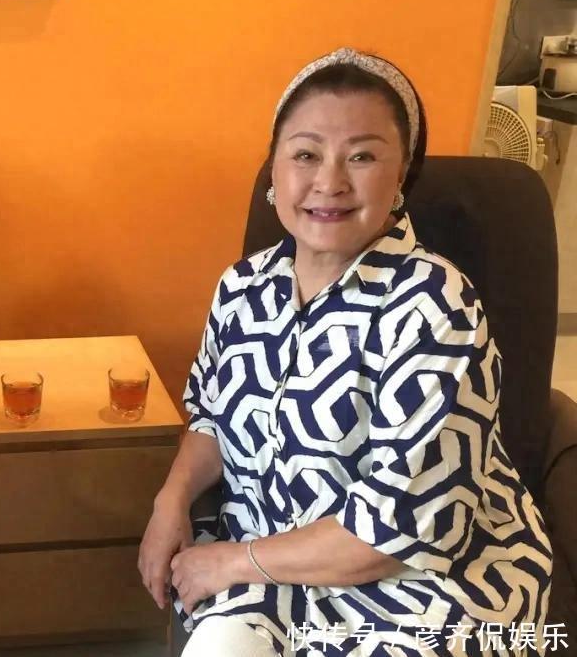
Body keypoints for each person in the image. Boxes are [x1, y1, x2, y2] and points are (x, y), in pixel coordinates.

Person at [138, 48, 553, 656]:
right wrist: (170, 500)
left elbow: (403, 526)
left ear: (401, 175)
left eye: (362, 156)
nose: (329, 182)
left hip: (419, 584)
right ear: (274, 172)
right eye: (306, 154)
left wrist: (232, 562)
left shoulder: (434, 304)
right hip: (263, 570)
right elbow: (210, 419)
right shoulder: (242, 287)